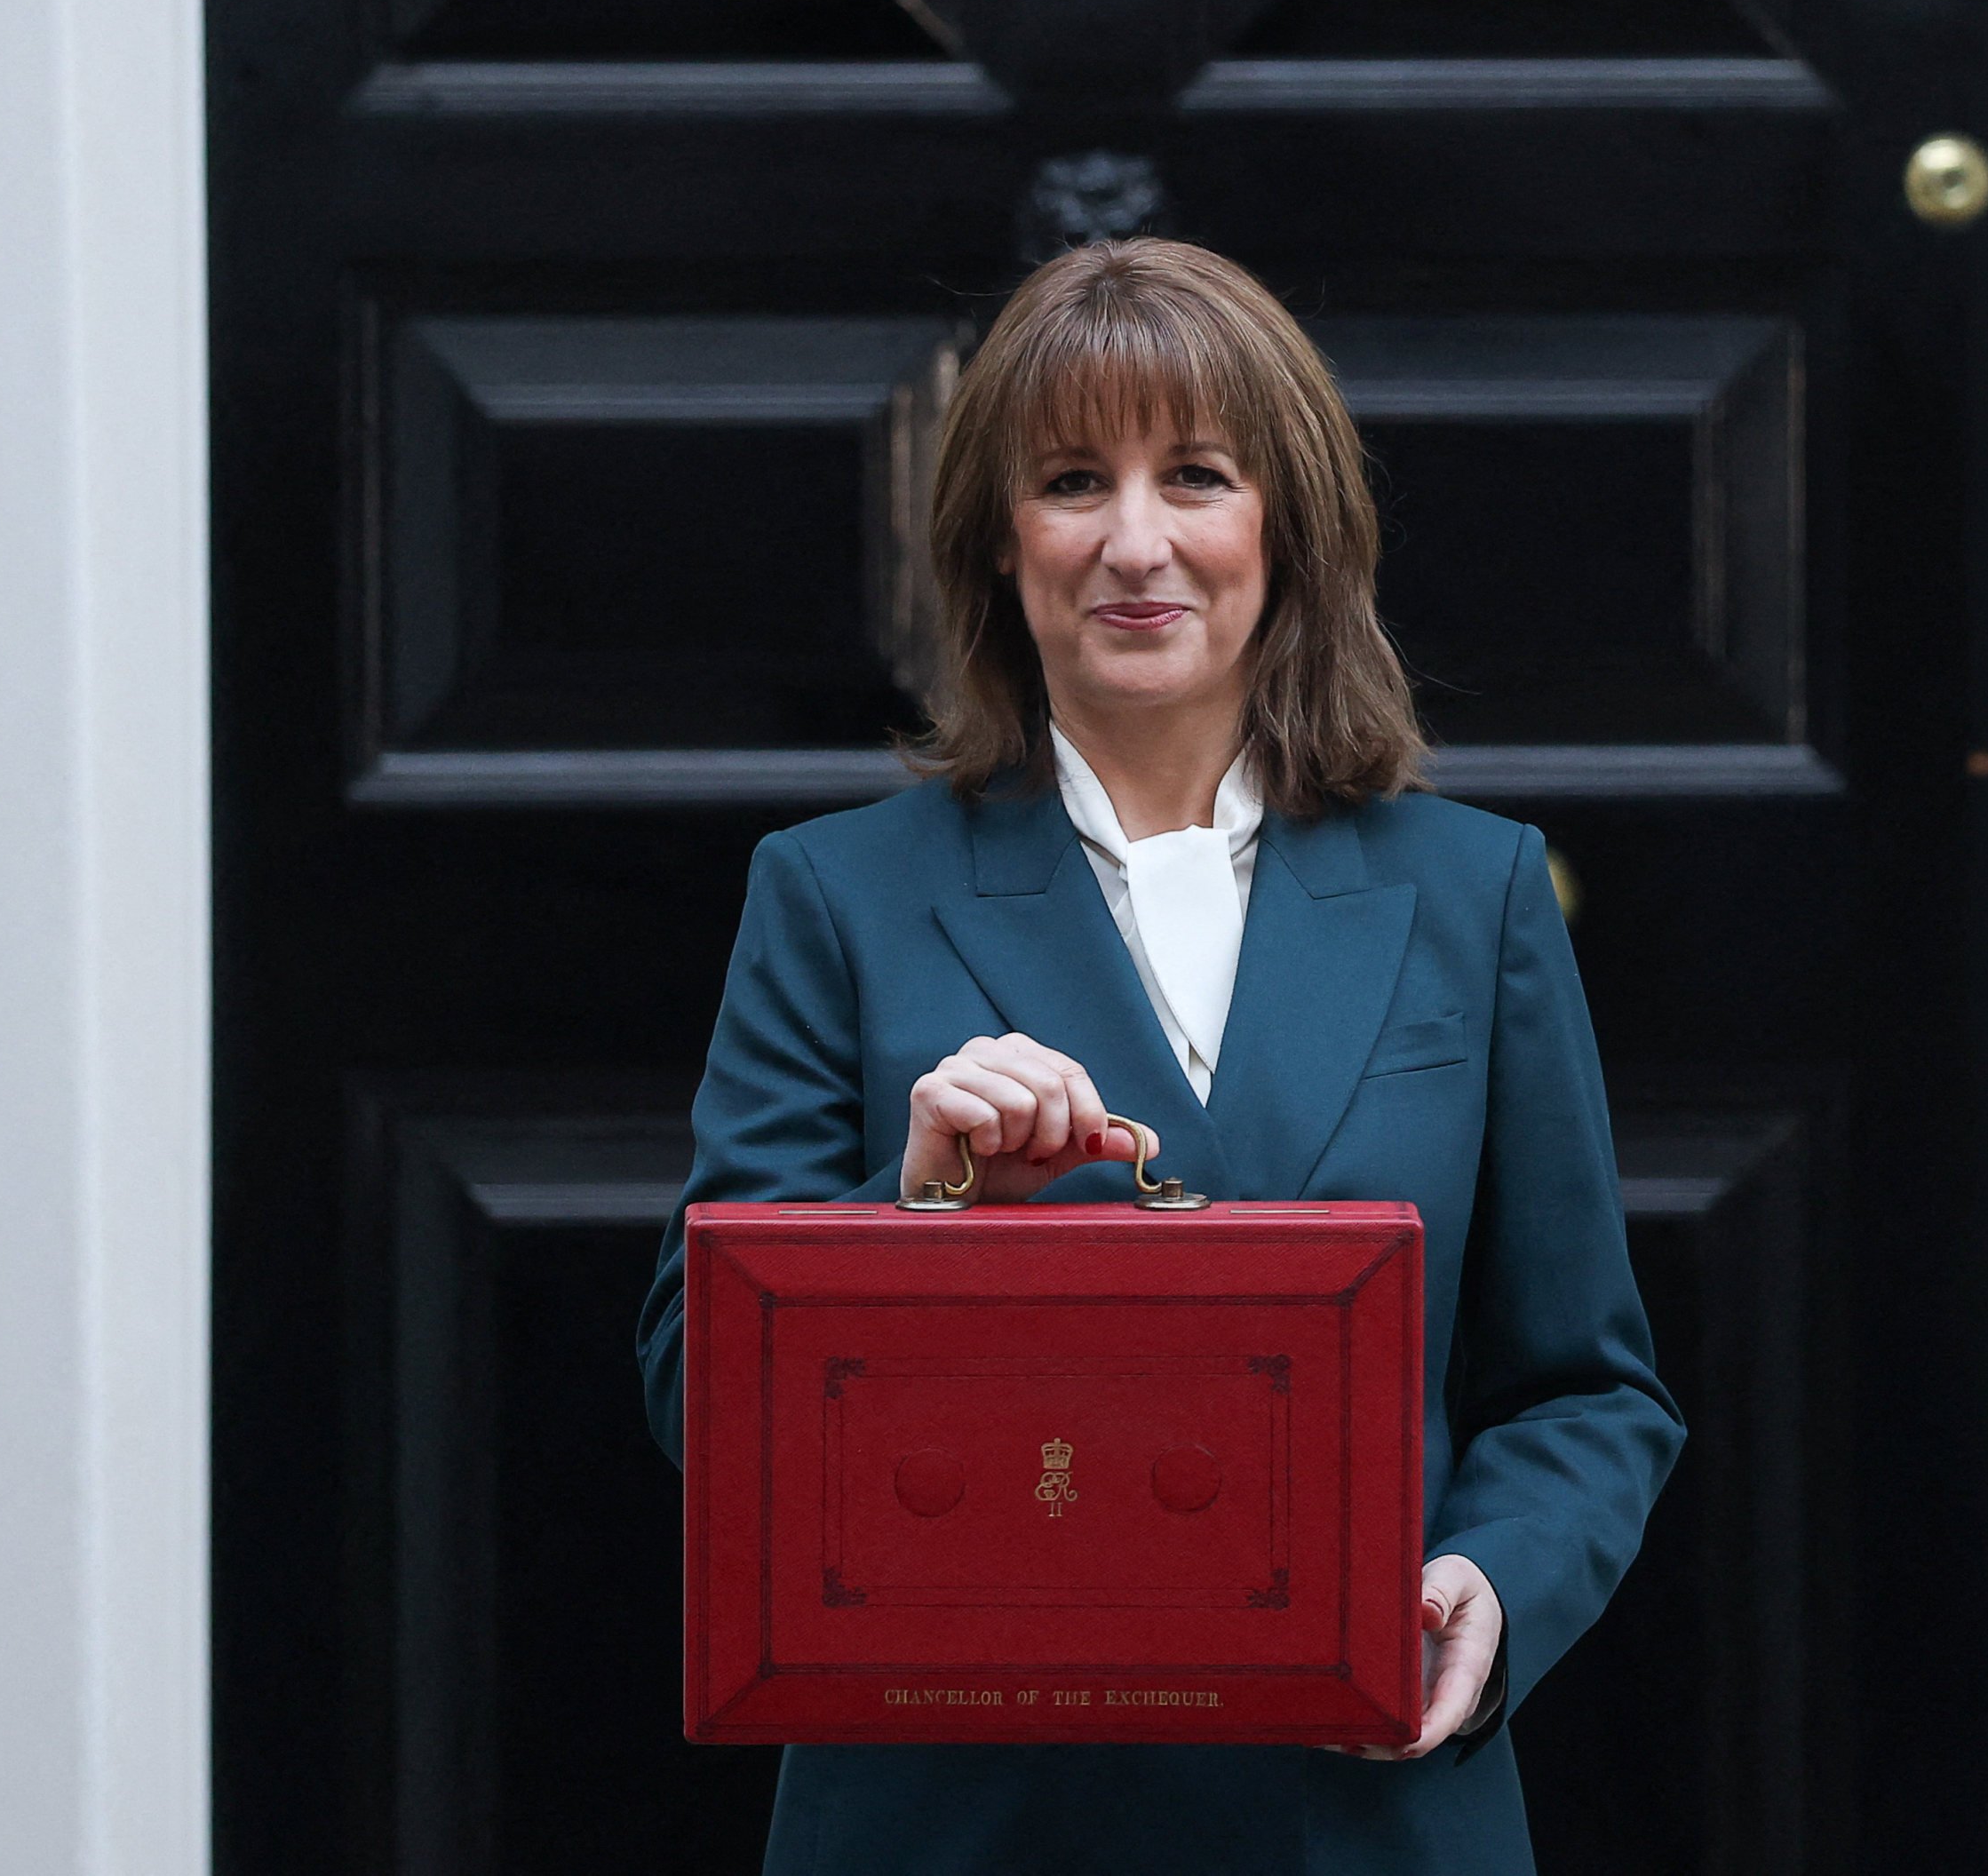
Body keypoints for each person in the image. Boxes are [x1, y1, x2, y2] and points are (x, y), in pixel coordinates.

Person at [637, 238, 1681, 1876]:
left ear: (1288, 526)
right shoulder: (833, 895)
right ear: (1000, 537)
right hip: (958, 1823)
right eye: (1071, 480)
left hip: (1359, 1814)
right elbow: (699, 1393)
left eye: (1194, 474)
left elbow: (1585, 1385)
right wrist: (908, 1212)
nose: (1136, 542)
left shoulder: (1468, 896)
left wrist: (1488, 1587)